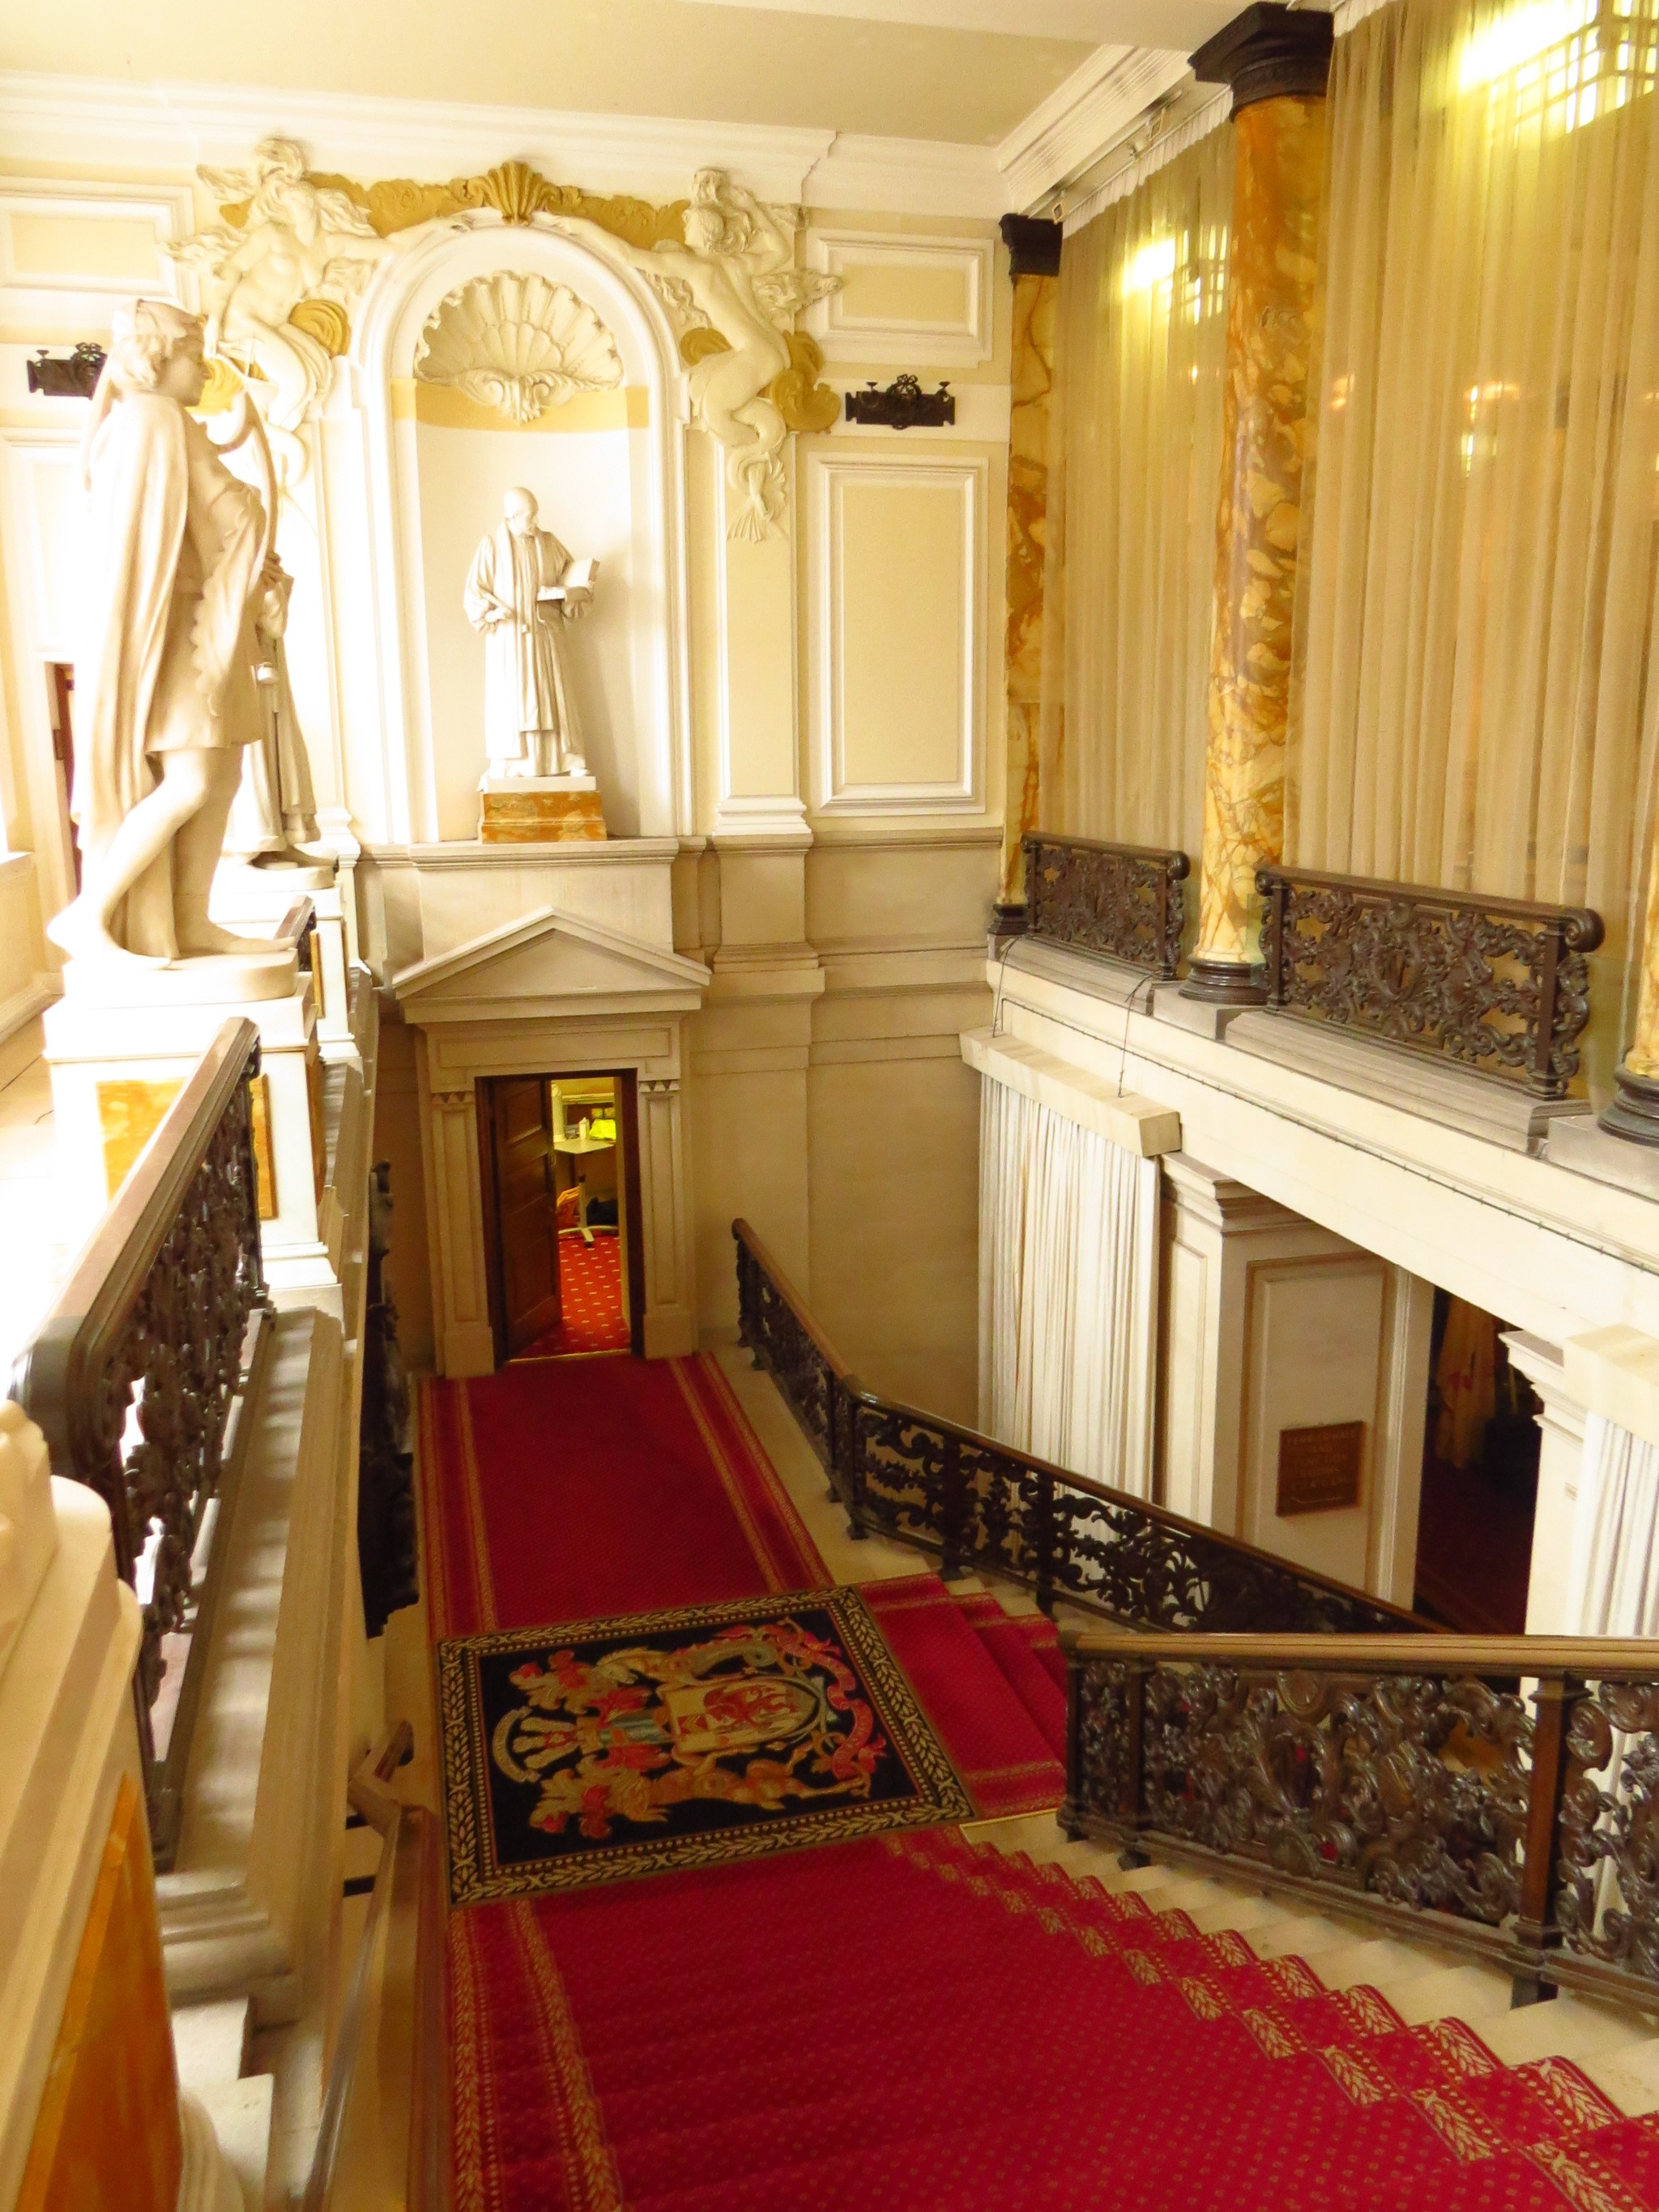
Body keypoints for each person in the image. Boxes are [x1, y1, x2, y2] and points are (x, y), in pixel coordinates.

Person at [48, 299, 276, 969]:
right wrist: (252, 492)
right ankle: (87, 914)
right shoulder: (153, 418)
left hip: (200, 617)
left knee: (225, 771)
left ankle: (191, 918)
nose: (203, 372)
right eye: (194, 359)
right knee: (192, 777)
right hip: (176, 628)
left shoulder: (163, 423)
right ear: (159, 358)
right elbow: (224, 508)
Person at [463, 488, 594, 778]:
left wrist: (576, 590)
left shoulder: (549, 543)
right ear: (510, 516)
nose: (535, 520)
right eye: (529, 516)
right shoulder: (492, 547)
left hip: (546, 635)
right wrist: (492, 613)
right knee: (514, 700)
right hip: (510, 641)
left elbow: (569, 579)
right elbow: (475, 592)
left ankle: (566, 760)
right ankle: (510, 763)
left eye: (535, 514)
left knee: (554, 697)